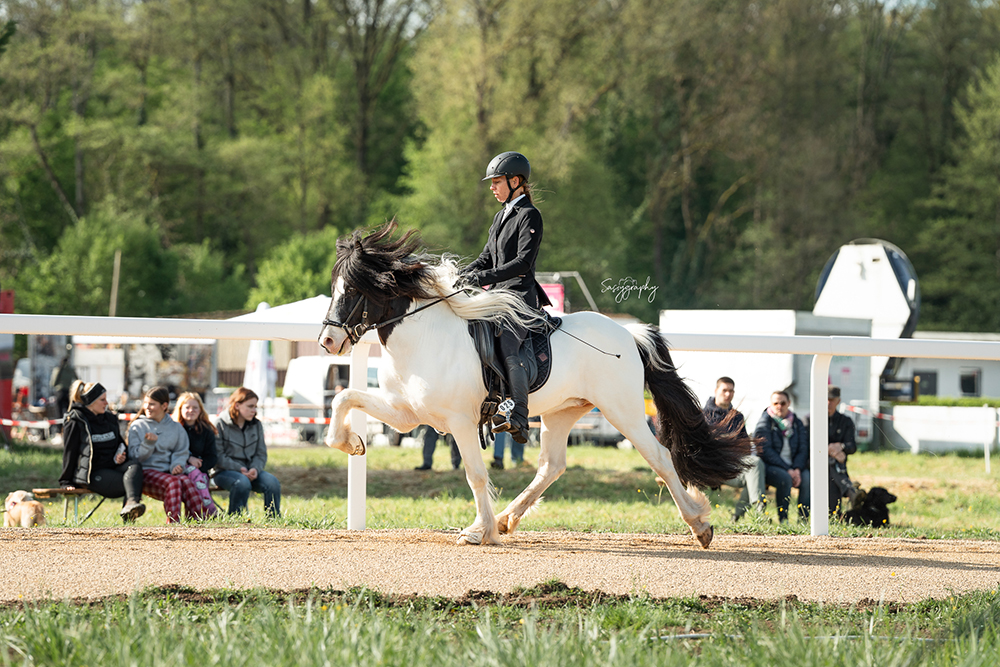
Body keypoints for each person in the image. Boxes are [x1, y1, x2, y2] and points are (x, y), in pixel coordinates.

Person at [459, 151, 550, 445]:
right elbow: (486, 258)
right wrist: (461, 275)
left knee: (509, 345)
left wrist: (481, 279)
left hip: (520, 296)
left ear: (515, 181)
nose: (491, 187)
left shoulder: (529, 215)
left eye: (496, 181)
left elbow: (523, 262)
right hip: (497, 295)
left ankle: (520, 417)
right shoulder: (500, 216)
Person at [59, 380, 146, 522]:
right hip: (92, 473)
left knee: (135, 467)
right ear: (91, 401)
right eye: (102, 400)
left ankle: (131, 506)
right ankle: (129, 518)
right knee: (131, 484)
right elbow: (70, 452)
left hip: (113, 466)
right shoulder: (76, 420)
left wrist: (120, 455)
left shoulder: (110, 419)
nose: (106, 403)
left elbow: (120, 444)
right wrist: (66, 481)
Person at [128, 386, 211, 523]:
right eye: (146, 403)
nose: (147, 407)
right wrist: (148, 444)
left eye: (152, 404)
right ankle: (173, 525)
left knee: (186, 481)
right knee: (174, 482)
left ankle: (197, 523)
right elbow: (135, 457)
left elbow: (181, 451)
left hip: (168, 472)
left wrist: (177, 465)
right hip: (145, 473)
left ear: (164, 405)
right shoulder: (138, 426)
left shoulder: (176, 428)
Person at [704, 377, 765, 521]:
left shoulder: (737, 417)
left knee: (755, 467)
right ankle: (758, 514)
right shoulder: (703, 416)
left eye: (731, 391)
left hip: (734, 464)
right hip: (713, 467)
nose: (728, 394)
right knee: (755, 468)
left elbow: (744, 445)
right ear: (716, 391)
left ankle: (739, 517)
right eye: (724, 390)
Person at [214, 387, 282, 518]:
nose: (254, 410)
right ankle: (236, 521)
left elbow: (261, 453)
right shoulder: (220, 424)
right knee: (242, 482)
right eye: (250, 406)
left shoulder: (256, 425)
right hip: (224, 472)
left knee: (272, 483)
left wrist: (255, 468)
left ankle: (274, 521)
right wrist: (239, 468)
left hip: (251, 471)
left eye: (255, 406)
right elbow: (218, 456)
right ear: (237, 405)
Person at [754, 390, 810, 523]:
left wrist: (796, 468)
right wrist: (787, 469)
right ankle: (783, 520)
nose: (780, 406)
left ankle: (803, 521)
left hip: (794, 467)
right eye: (776, 403)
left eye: (783, 403)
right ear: (771, 404)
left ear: (789, 403)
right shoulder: (765, 422)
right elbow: (765, 451)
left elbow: (803, 448)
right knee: (785, 478)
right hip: (771, 467)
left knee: (808, 479)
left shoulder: (797, 422)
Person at [172, 392, 220, 518]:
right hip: (177, 468)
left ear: (200, 410)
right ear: (180, 409)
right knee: (194, 476)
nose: (191, 410)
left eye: (195, 407)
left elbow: (212, 457)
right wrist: (188, 459)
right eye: (187, 407)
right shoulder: (174, 428)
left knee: (200, 478)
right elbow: (170, 450)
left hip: (200, 471)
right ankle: (210, 511)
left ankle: (195, 517)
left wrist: (199, 466)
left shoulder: (207, 430)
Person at [826, 385, 858, 516]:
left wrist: (841, 447)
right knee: (832, 463)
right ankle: (849, 491)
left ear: (838, 401)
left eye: (832, 399)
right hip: (814, 462)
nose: (828, 402)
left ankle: (834, 515)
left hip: (835, 464)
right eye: (826, 399)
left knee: (831, 466)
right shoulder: (811, 420)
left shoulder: (845, 421)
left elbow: (852, 446)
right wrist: (828, 450)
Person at [50, 352, 78, 421]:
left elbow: (53, 382)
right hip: (68, 392)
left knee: (58, 412)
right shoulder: (71, 369)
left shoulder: (58, 369)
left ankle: (59, 429)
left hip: (60, 392)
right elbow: (77, 379)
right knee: (69, 410)